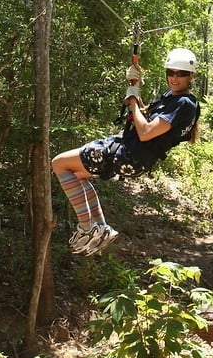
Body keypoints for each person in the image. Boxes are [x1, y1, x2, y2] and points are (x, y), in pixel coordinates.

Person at [51, 47, 201, 256]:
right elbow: (147, 118)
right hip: (132, 158)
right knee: (76, 176)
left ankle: (87, 228)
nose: (175, 78)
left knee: (58, 163)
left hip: (127, 154)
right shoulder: (177, 100)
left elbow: (146, 132)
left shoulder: (183, 104)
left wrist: (132, 101)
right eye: (171, 72)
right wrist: (135, 88)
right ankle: (101, 227)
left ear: (191, 76)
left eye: (181, 73)